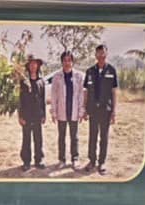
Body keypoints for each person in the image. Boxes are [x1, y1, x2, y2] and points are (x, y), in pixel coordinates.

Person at [84, 43, 119, 174]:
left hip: (106, 110)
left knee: (104, 137)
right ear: (95, 55)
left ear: (106, 54)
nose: (101, 56)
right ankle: (92, 161)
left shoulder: (112, 70)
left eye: (103, 53)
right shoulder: (89, 71)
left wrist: (114, 111)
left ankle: (102, 162)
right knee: (92, 136)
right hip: (93, 110)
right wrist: (85, 109)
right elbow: (86, 92)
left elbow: (114, 92)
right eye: (99, 53)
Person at [49, 50, 85, 167]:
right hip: (61, 111)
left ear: (72, 62)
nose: (67, 63)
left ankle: (75, 158)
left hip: (73, 111)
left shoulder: (78, 76)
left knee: (74, 137)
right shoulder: (57, 77)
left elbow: (81, 95)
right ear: (61, 62)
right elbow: (53, 96)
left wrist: (81, 111)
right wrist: (53, 112)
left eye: (69, 60)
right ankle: (62, 160)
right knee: (61, 137)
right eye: (65, 60)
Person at [18, 56, 46, 170]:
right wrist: (20, 116)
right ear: (28, 66)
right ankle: (26, 162)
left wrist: (43, 115)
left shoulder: (41, 81)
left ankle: (38, 160)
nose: (33, 66)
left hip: (38, 115)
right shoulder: (23, 81)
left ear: (38, 66)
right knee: (26, 139)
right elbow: (20, 100)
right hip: (26, 115)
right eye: (31, 64)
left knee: (38, 138)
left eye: (35, 64)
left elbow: (43, 99)